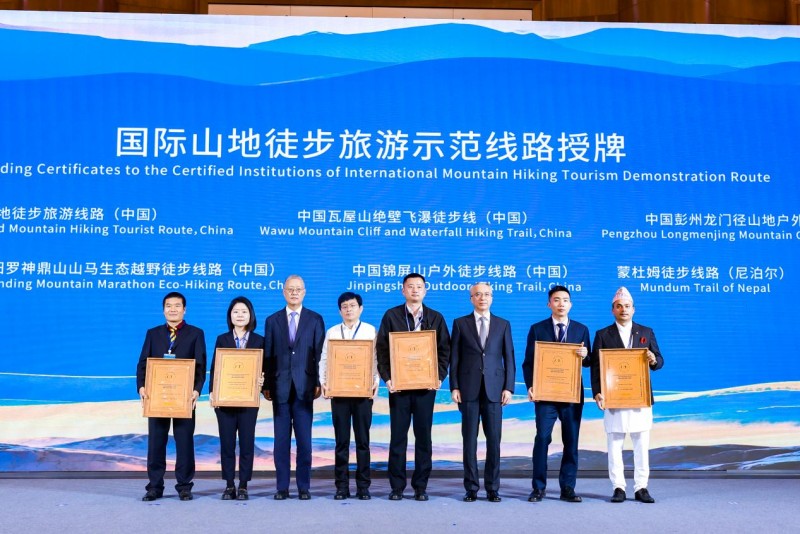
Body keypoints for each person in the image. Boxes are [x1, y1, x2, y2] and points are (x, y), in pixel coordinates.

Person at [376, 273, 450, 501]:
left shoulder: (436, 318)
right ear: (403, 290)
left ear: (425, 290)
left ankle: (420, 487)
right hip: (399, 388)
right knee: (398, 437)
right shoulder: (391, 316)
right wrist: (388, 378)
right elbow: (382, 350)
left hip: (425, 388)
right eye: (410, 286)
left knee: (423, 438)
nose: (415, 290)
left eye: (419, 286)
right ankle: (397, 487)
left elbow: (444, 351)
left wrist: (439, 376)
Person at [591, 286, 664, 504]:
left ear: (634, 309)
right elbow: (596, 367)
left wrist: (653, 359)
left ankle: (641, 487)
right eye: (619, 306)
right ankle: (618, 487)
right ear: (612, 310)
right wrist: (597, 392)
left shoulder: (646, 332)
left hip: (639, 397)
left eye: (627, 306)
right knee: (614, 444)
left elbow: (660, 361)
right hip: (614, 397)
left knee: (641, 444)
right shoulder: (603, 334)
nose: (623, 310)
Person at [522, 285, 591, 503]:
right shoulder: (537, 329)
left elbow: (588, 362)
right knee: (542, 438)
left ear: (571, 304)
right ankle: (538, 488)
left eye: (565, 300)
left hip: (571, 395)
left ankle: (567, 488)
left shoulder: (581, 329)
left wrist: (585, 354)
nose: (561, 304)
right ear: (549, 304)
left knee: (571, 441)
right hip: (545, 395)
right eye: (557, 300)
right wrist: (531, 386)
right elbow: (528, 362)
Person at [136, 292, 206, 502]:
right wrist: (141, 387)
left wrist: (196, 390)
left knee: (185, 443)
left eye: (177, 305)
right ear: (163, 309)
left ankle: (184, 486)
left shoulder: (196, 333)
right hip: (157, 397)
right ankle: (154, 487)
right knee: (156, 443)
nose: (173, 309)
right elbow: (143, 364)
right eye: (168, 305)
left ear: (184, 309)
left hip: (184, 398)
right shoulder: (153, 333)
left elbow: (200, 366)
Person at [449, 282, 515, 503]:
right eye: (478, 294)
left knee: (494, 441)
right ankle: (471, 488)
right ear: (471, 299)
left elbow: (509, 357)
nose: (482, 298)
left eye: (486, 294)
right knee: (469, 441)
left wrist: (509, 387)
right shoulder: (460, 323)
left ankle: (492, 488)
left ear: (492, 297)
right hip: (468, 389)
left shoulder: (503, 324)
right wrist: (454, 386)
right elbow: (455, 358)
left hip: (495, 390)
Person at [263, 275, 325, 500]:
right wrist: (266, 385)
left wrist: (318, 382)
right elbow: (268, 355)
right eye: (290, 289)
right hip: (279, 387)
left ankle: (303, 487)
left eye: (298, 289)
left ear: (304, 292)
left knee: (304, 442)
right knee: (281, 442)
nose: (294, 292)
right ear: (283, 292)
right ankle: (282, 487)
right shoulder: (272, 320)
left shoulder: (315, 319)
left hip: (305, 387)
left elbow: (319, 354)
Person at [319, 292, 379, 500]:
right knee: (341, 442)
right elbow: (324, 359)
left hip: (363, 393)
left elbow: (376, 360)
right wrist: (324, 382)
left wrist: (375, 381)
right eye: (344, 307)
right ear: (340, 311)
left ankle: (363, 487)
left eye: (352, 306)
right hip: (339, 393)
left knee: (363, 442)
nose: (348, 309)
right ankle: (341, 487)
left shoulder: (370, 331)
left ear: (360, 309)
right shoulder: (333, 332)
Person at [209, 296, 265, 501]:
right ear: (230, 316)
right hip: (225, 401)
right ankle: (229, 485)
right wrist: (213, 392)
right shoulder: (222, 339)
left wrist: (262, 380)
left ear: (251, 315)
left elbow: (265, 369)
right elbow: (215, 368)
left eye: (244, 311)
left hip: (249, 401)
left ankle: (243, 485)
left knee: (247, 444)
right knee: (227, 444)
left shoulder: (259, 340)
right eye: (235, 312)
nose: (240, 315)